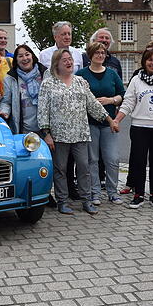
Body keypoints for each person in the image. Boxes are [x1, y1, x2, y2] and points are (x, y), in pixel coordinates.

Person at [38, 49, 118, 215]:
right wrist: (46, 133)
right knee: (60, 169)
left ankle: (86, 200)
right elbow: (43, 110)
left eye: (70, 59)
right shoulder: (48, 84)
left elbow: (93, 104)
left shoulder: (80, 81)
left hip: (80, 133)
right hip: (59, 135)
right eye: (64, 60)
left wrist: (109, 120)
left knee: (83, 167)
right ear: (56, 64)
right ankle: (62, 201)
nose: (69, 62)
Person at [114, 47, 153, 209]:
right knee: (138, 161)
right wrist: (117, 120)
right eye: (150, 60)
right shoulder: (136, 80)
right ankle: (139, 194)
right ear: (144, 62)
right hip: (140, 126)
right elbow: (128, 102)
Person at [76, 41, 125, 205]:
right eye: (97, 52)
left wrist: (111, 100)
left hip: (109, 123)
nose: (100, 55)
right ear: (90, 55)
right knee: (92, 160)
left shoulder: (112, 74)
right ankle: (94, 192)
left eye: (103, 53)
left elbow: (122, 95)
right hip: (89, 123)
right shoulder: (81, 74)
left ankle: (113, 192)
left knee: (112, 159)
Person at [0, 44, 47, 134]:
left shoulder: (45, 74)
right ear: (16, 60)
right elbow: (6, 102)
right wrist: (4, 113)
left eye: (27, 54)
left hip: (45, 131)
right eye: (20, 56)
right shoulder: (10, 78)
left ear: (32, 56)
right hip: (23, 130)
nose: (24, 58)